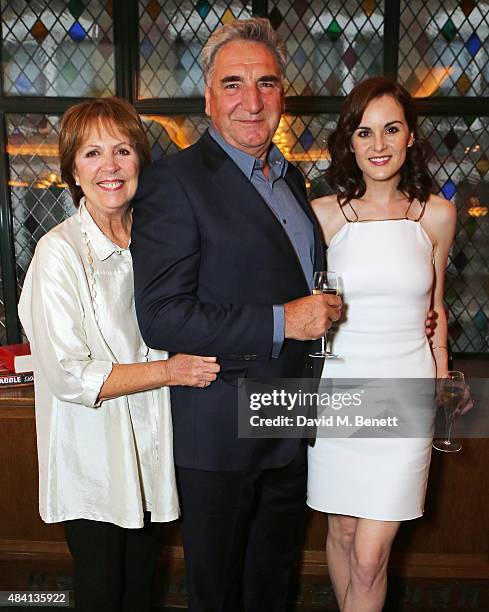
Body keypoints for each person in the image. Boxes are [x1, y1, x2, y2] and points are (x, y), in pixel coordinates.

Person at [130, 18, 342, 612]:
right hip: (221, 428)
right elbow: (164, 317)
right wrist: (283, 321)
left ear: (282, 94)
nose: (252, 101)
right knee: (218, 593)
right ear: (208, 96)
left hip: (289, 418)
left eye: (266, 83)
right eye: (233, 84)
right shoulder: (174, 182)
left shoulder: (291, 178)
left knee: (273, 585)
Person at [18, 97, 220, 612]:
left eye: (122, 150)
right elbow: (69, 376)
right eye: (91, 153)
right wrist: (171, 371)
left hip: (150, 445)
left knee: (140, 587)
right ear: (73, 170)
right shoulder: (58, 252)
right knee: (103, 591)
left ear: (140, 164)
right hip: (95, 454)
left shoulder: (154, 244)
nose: (109, 165)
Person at [307, 76, 457, 612]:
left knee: (371, 554)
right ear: (350, 142)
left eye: (391, 129)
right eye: (364, 132)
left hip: (407, 396)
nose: (378, 144)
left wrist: (442, 391)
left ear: (411, 136)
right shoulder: (324, 217)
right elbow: (303, 308)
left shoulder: (436, 215)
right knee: (344, 535)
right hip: (340, 394)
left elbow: (435, 312)